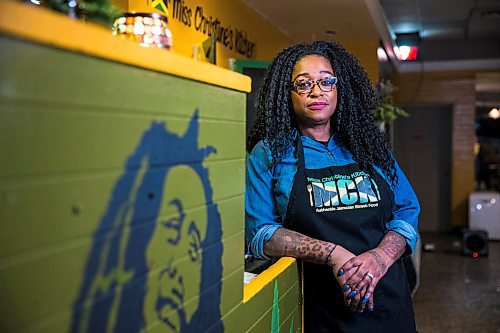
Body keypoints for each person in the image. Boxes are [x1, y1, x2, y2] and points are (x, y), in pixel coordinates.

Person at [245, 41, 420, 332]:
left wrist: (379, 258)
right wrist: (333, 254)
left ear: (340, 88)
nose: (317, 91)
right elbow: (259, 233)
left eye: (327, 81)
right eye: (303, 84)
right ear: (286, 94)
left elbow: (406, 210)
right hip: (319, 307)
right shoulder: (271, 153)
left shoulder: (369, 146)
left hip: (388, 298)